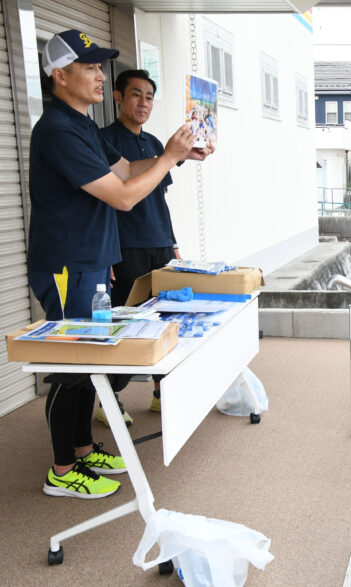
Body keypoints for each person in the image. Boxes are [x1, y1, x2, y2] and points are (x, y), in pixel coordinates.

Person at [29, 30, 193, 499]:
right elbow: (122, 197)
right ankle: (62, 469)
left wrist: (177, 158)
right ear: (60, 75)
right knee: (70, 365)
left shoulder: (80, 123)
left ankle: (82, 448)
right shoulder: (58, 129)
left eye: (101, 66)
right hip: (66, 267)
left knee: (91, 358)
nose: (100, 75)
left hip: (93, 264)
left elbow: (124, 171)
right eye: (89, 67)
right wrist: (166, 158)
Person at [98, 69, 214, 425]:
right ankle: (109, 400)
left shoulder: (152, 143)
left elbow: (158, 199)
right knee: (126, 324)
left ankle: (162, 393)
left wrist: (173, 243)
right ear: (117, 97)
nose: (143, 103)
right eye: (135, 95)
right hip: (126, 247)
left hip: (160, 245)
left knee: (166, 321)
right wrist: (108, 254)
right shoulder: (103, 140)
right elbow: (106, 198)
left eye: (149, 96)